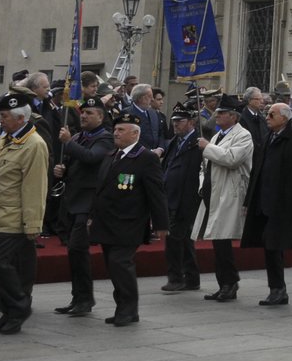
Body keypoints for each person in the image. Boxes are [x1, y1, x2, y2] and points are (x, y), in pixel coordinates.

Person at [0, 92, 49, 335]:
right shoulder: (4, 139)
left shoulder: (34, 145)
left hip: (14, 218)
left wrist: (33, 224)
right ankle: (8, 312)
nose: (0, 120)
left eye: (4, 116)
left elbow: (35, 188)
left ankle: (19, 306)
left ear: (20, 118)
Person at [87, 111, 168, 326]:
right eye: (115, 130)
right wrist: (92, 216)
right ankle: (123, 306)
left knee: (121, 264)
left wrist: (161, 224)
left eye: (121, 130)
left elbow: (156, 193)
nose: (116, 133)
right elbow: (100, 190)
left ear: (135, 134)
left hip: (129, 222)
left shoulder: (146, 158)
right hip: (106, 222)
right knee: (112, 267)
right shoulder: (111, 156)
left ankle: (128, 308)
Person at [240, 102, 292, 307]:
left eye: (272, 114)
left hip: (283, 203)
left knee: (274, 245)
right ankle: (277, 289)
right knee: (270, 246)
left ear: (285, 118)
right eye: (267, 114)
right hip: (264, 201)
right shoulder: (268, 137)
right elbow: (258, 171)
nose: (267, 117)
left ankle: (278, 289)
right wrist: (249, 200)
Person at [52, 96, 113, 317]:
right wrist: (62, 170)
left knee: (78, 250)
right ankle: (77, 297)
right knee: (73, 253)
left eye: (89, 113)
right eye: (83, 113)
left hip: (88, 203)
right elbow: (74, 165)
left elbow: (90, 158)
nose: (84, 116)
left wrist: (69, 143)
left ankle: (85, 299)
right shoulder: (79, 136)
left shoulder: (105, 138)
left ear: (100, 116)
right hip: (71, 201)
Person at [196, 95, 253, 302]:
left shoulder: (243, 135)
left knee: (222, 240)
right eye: (217, 112)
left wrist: (207, 147)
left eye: (221, 113)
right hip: (214, 190)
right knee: (217, 242)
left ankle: (230, 283)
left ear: (233, 116)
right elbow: (205, 165)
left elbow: (231, 159)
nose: (217, 116)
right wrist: (203, 182)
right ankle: (224, 283)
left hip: (229, 192)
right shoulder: (218, 135)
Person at [158, 106, 204, 293]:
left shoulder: (197, 143)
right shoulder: (173, 142)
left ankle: (176, 277)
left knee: (175, 240)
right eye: (174, 121)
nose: (175, 124)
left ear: (191, 123)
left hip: (187, 198)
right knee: (183, 240)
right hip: (171, 196)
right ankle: (191, 278)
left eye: (180, 121)